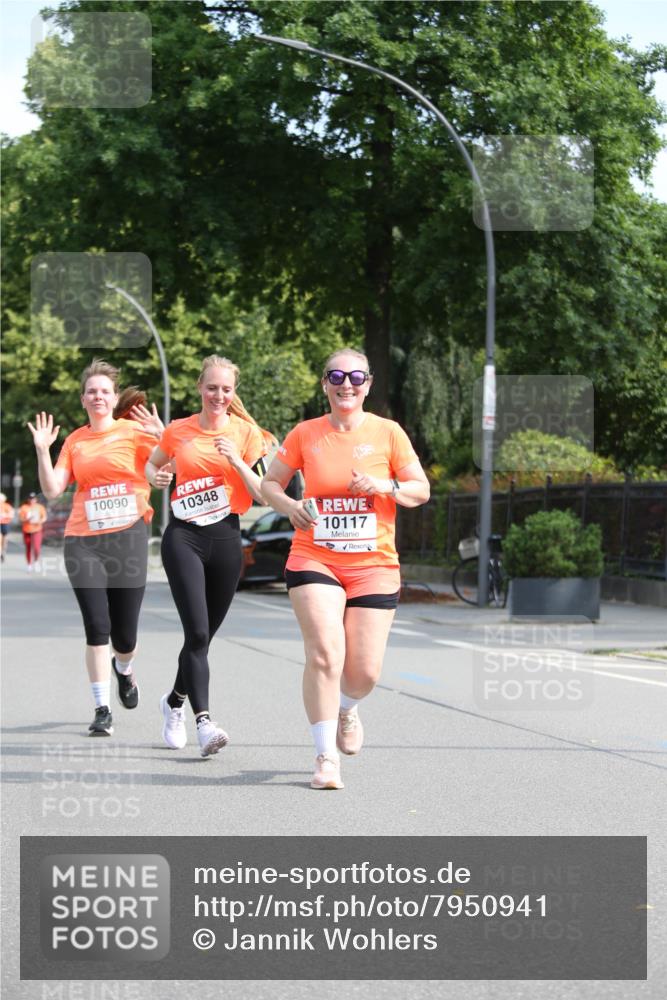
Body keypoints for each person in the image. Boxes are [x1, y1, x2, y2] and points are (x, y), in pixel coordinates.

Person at [262, 348, 430, 789]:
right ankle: (324, 757)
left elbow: (420, 489)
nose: (346, 383)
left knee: (364, 672)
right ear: (325, 384)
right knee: (324, 654)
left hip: (374, 563)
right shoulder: (305, 433)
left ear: (368, 384)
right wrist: (290, 506)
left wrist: (383, 485)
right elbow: (269, 483)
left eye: (356, 376)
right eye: (336, 376)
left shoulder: (388, 433)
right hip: (314, 556)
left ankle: (347, 707)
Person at [27, 360, 172, 736]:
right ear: (83, 399)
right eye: (91, 391)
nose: (98, 396)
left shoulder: (135, 432)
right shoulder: (75, 441)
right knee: (97, 627)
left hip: (128, 537)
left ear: (113, 397)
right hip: (83, 542)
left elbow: (161, 471)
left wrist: (165, 441)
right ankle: (102, 708)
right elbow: (53, 489)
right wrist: (43, 450)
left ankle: (123, 669)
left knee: (125, 637)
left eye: (104, 391)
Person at [146, 355, 273, 757]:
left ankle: (173, 701)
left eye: (226, 389)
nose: (219, 395)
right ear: (200, 388)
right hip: (184, 536)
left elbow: (260, 492)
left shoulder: (247, 433)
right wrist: (158, 477)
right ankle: (204, 722)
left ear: (234, 393)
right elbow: (152, 465)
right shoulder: (178, 430)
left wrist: (236, 459)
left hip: (225, 539)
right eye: (212, 387)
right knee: (197, 633)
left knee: (203, 638)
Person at [18, 492, 47, 572]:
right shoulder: (24, 507)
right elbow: (20, 519)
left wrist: (40, 521)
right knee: (28, 547)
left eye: (33, 499)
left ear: (36, 499)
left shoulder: (40, 507)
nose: (32, 500)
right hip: (27, 529)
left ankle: (36, 561)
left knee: (37, 548)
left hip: (37, 529)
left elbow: (44, 517)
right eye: (30, 499)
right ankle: (29, 564)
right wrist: (27, 519)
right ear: (28, 499)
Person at [0, 493, 15, 562]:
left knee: (4, 539)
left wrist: (4, 515)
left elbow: (11, 515)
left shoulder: (7, 506)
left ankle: (3, 552)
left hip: (5, 524)